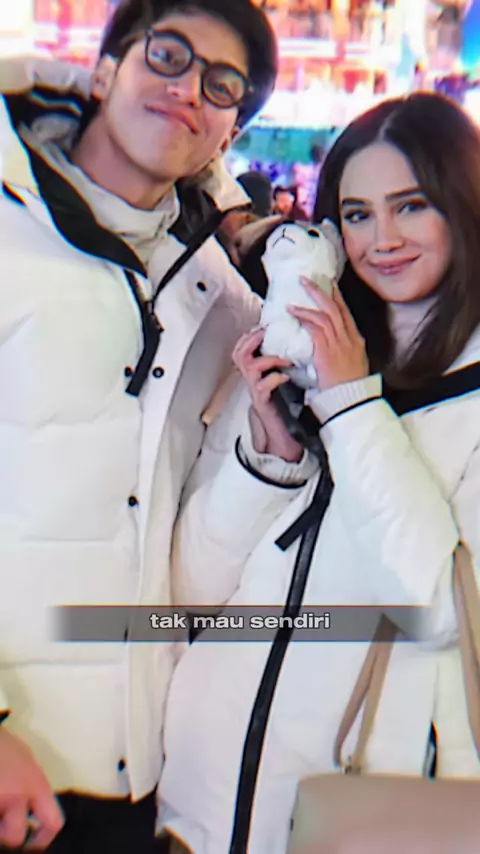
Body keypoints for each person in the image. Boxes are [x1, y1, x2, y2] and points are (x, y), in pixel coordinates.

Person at [157, 91, 480, 854]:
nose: (383, 240)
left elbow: (438, 609)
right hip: (199, 808)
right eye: (358, 214)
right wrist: (269, 459)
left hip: (362, 813)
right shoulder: (294, 351)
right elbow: (192, 591)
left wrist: (351, 404)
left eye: (411, 206)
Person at [0, 0, 277, 851]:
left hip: (134, 778)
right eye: (167, 55)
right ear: (103, 71)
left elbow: (184, 553)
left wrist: (269, 453)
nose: (188, 89)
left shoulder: (220, 302)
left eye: (221, 85)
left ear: (227, 134)